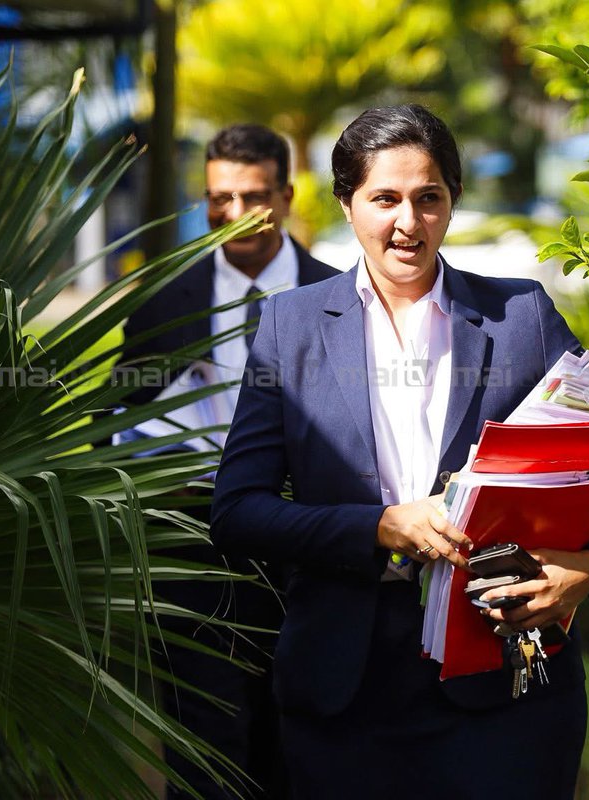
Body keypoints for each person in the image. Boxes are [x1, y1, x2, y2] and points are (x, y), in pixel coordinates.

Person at [210, 104, 589, 799]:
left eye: (429, 198)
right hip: (344, 689)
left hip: (504, 687)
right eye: (385, 199)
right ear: (346, 203)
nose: (408, 222)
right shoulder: (291, 325)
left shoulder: (520, 317)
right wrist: (378, 525)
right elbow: (237, 513)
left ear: (453, 199)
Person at [114, 123, 339, 800]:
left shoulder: (344, 296)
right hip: (191, 558)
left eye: (251, 196)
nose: (232, 214)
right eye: (218, 198)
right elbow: (115, 421)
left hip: (308, 561)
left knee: (296, 748)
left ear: (287, 195)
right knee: (201, 756)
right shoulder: (160, 304)